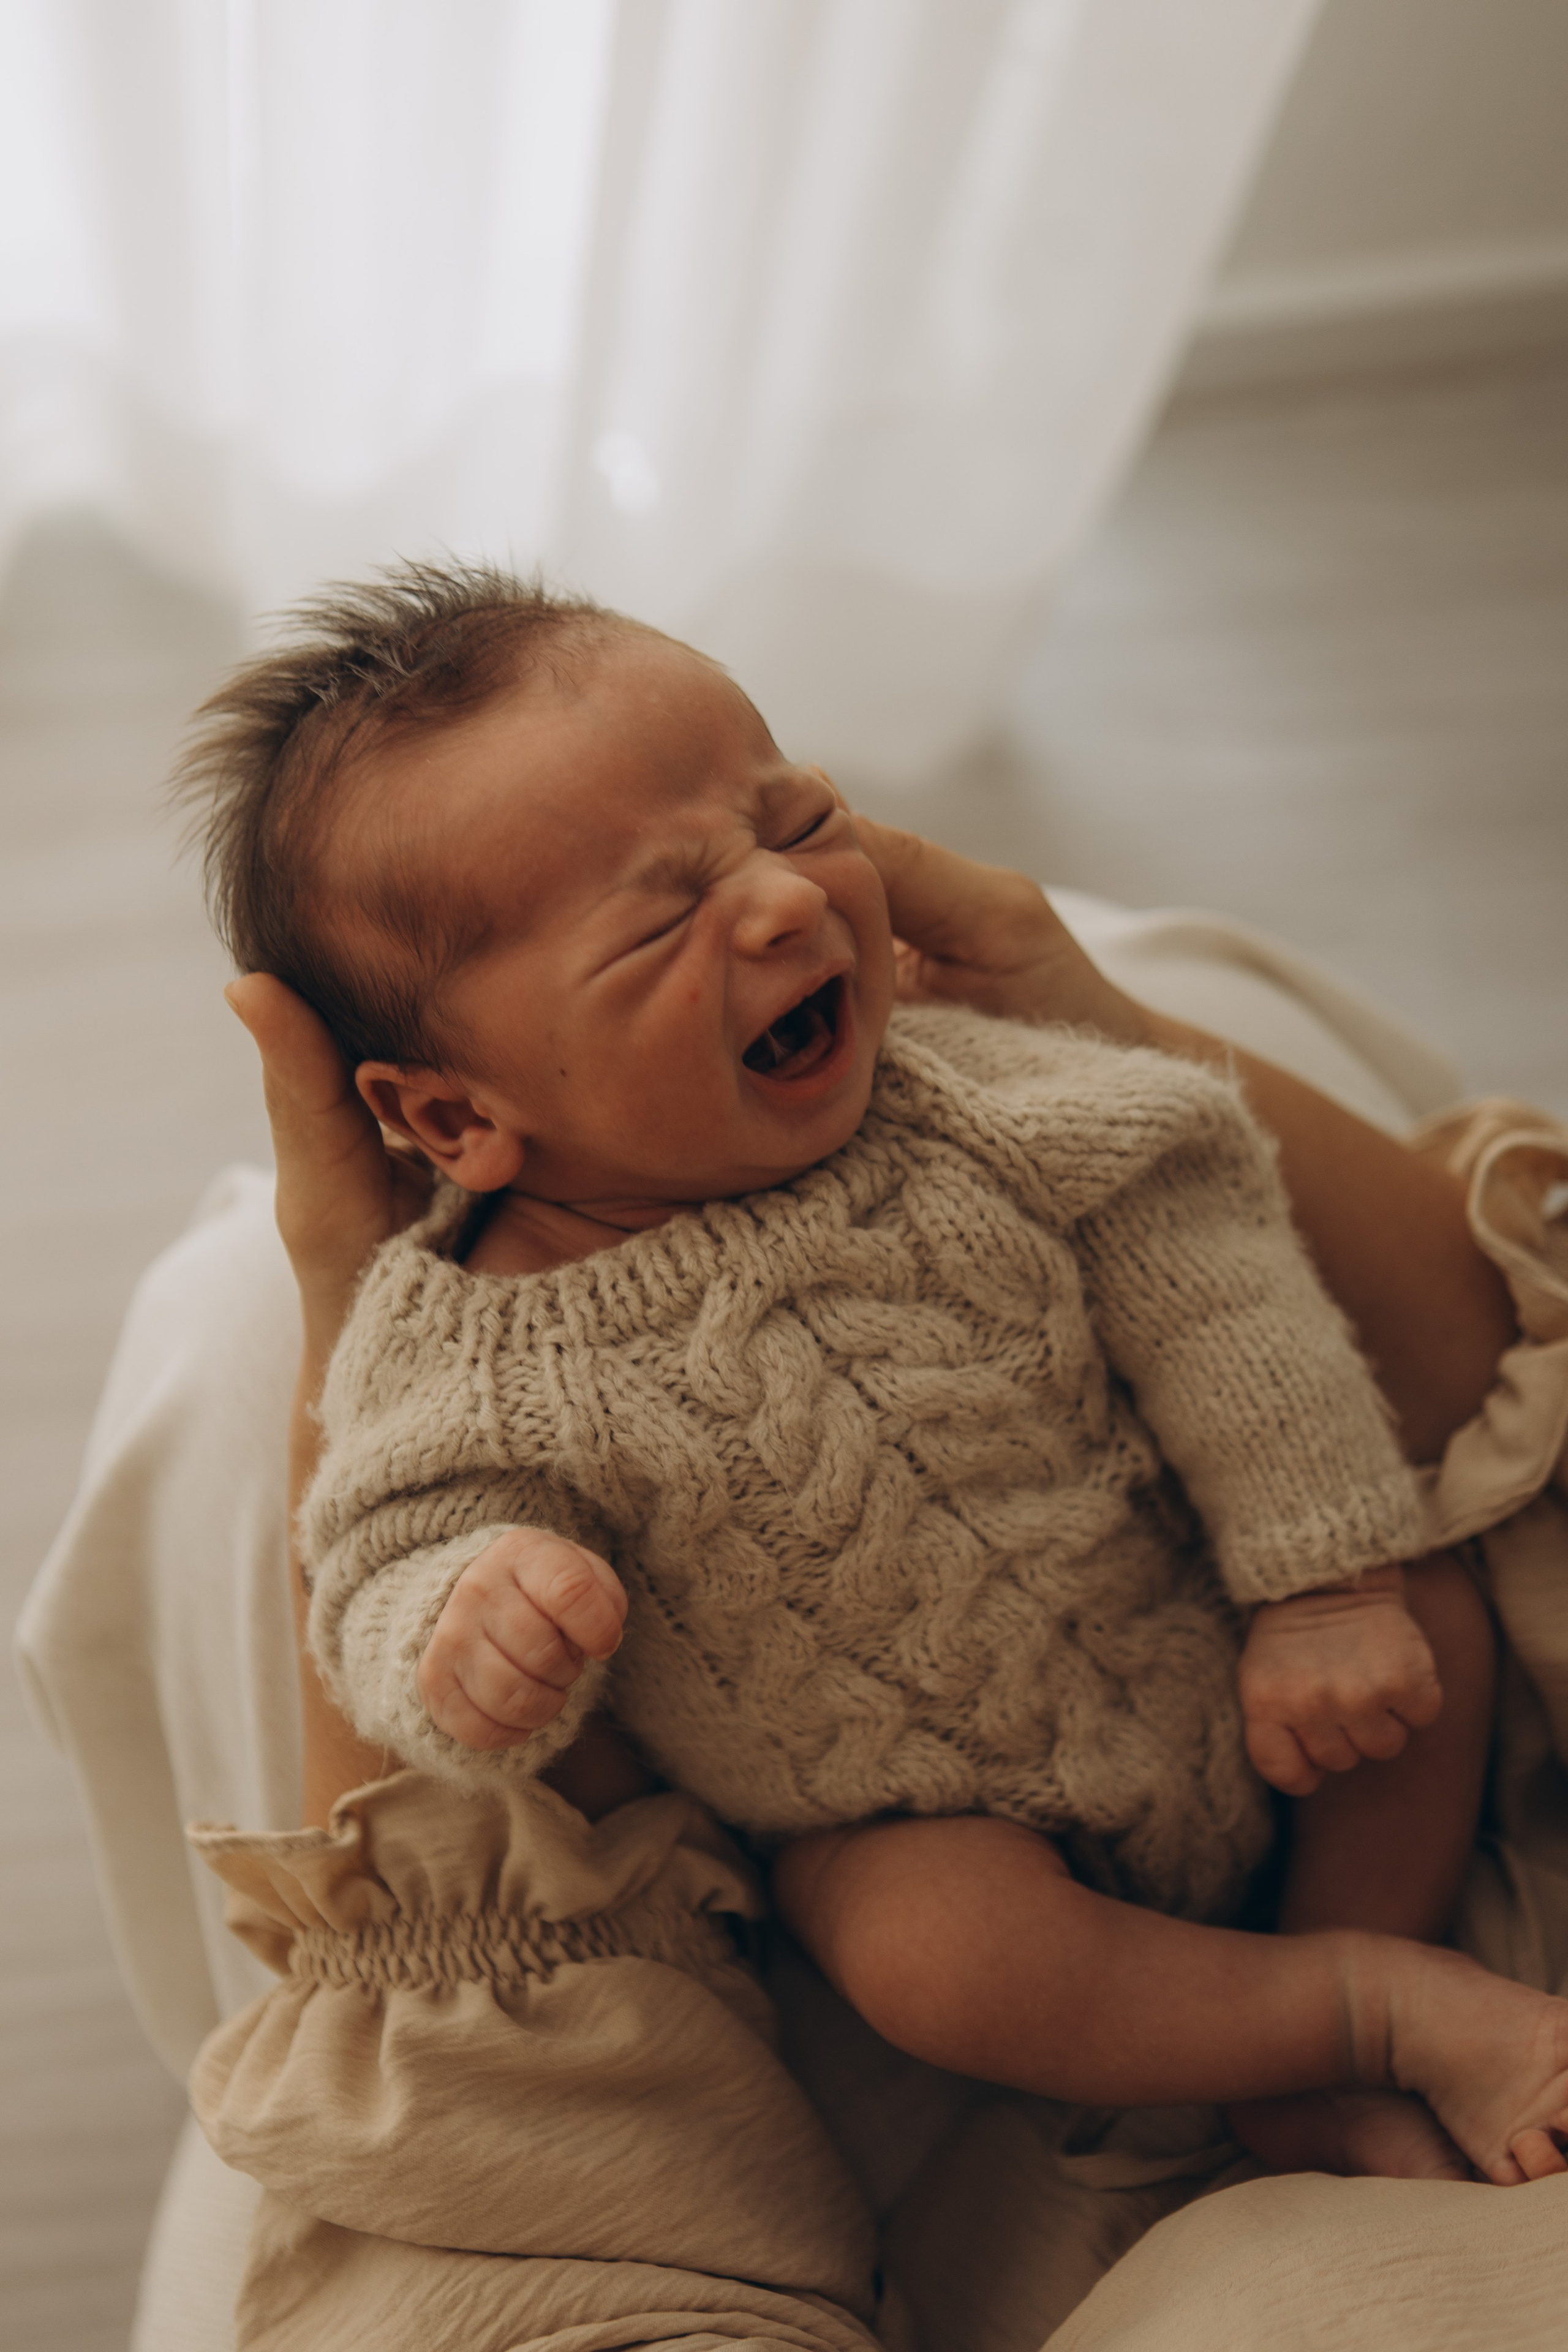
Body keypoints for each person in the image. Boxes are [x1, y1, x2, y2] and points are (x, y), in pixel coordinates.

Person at [191, 562, 1567, 2199]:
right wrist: (462, 1629)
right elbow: (370, 1555)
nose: (784, 903)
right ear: (454, 1119)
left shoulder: (968, 1103)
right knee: (929, 1956)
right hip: (926, 1813)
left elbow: (1218, 1273)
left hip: (1241, 1632)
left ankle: (1342, 1969)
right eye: (662, 916)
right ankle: (1361, 2011)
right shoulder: (472, 1350)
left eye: (793, 819)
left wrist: (1322, 1585)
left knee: (1433, 1607)